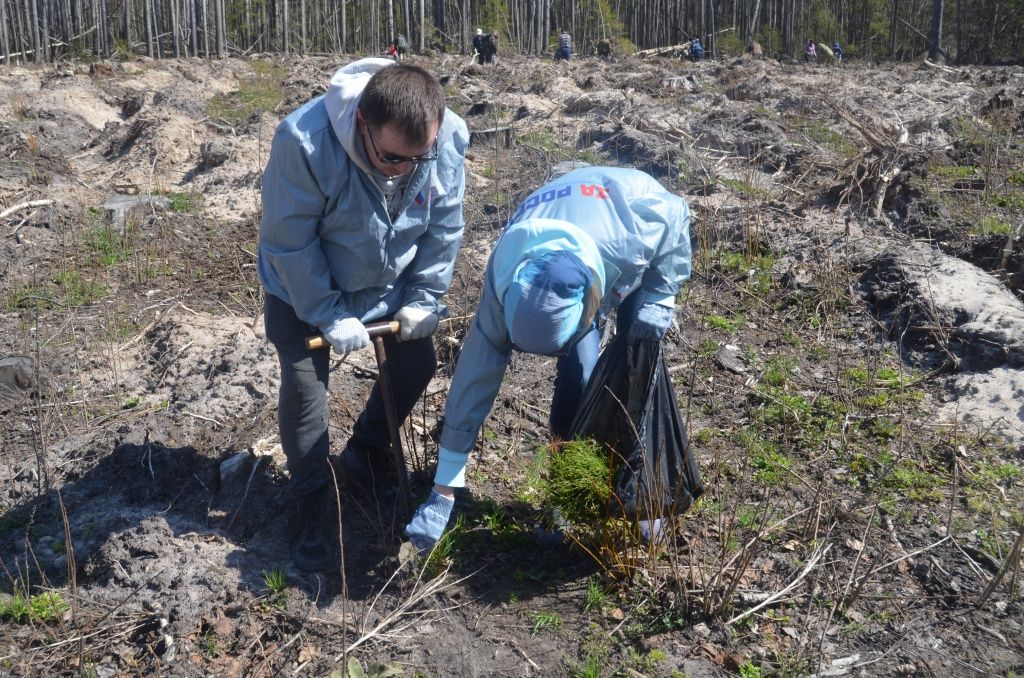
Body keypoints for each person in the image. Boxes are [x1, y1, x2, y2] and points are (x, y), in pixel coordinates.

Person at [404, 166, 692, 551]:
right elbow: (474, 380)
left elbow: (675, 212)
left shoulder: (630, 237)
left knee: (638, 365)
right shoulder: (503, 280)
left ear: (586, 309)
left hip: (628, 233)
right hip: (573, 233)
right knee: (579, 378)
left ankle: (643, 494)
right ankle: (566, 498)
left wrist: (661, 294)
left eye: (559, 346)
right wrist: (444, 490)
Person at [258, 59, 469, 572]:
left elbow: (444, 226)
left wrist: (423, 298)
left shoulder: (446, 138)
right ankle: (312, 498)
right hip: (301, 288)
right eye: (392, 157)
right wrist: (327, 313)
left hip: (388, 283)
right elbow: (290, 244)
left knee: (417, 364)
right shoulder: (303, 142)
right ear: (362, 124)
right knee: (306, 391)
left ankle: (365, 454)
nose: (406, 169)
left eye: (419, 158)